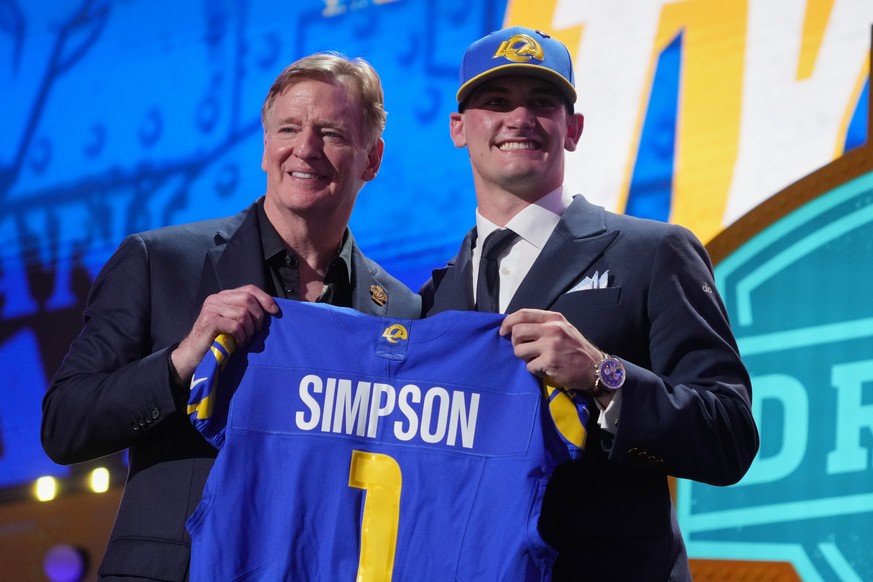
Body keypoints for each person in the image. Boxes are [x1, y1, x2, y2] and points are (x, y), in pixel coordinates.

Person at [41, 52, 421, 581]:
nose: (305, 149)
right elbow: (63, 426)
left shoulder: (401, 311)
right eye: (289, 128)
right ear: (266, 146)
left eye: (331, 132)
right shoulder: (159, 262)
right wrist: (182, 358)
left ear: (372, 158)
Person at [420, 27, 759, 580]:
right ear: (460, 128)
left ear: (572, 129)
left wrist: (603, 375)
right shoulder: (435, 301)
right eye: (497, 102)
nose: (519, 118)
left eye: (543, 103)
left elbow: (729, 436)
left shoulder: (653, 252)